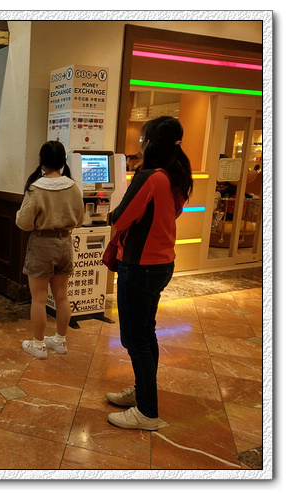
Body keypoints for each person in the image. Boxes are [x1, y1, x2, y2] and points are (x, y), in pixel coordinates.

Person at [105, 115, 193, 431]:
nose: (141, 145)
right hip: (161, 264)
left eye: (143, 139)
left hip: (139, 266)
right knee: (146, 332)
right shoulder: (175, 176)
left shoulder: (149, 178)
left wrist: (111, 214)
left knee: (135, 338)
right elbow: (174, 212)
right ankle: (142, 391)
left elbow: (121, 218)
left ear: (152, 143)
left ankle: (147, 411)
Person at [15, 141, 84, 360]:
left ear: (41, 161)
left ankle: (38, 344)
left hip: (42, 245)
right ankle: (60, 341)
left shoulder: (37, 188)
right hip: (65, 243)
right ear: (63, 161)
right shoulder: (73, 187)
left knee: (38, 299)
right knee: (62, 296)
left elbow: (24, 223)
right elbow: (80, 219)